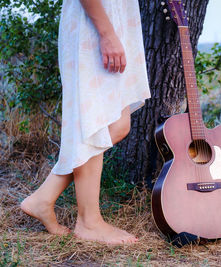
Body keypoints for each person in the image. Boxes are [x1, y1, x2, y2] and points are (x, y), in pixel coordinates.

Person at [20, 0, 152, 245]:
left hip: (113, 24)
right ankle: (89, 222)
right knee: (97, 124)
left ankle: (43, 199)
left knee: (118, 125)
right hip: (95, 24)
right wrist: (107, 34)